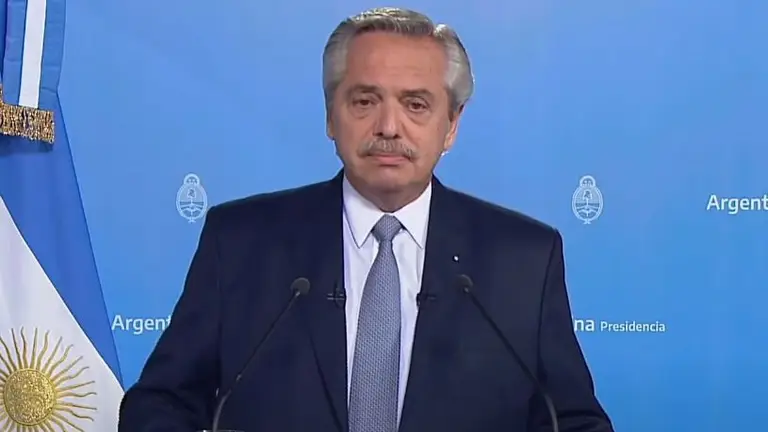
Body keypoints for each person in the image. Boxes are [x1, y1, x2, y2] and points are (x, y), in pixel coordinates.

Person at [118, 7, 614, 432]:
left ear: (452, 125)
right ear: (330, 115)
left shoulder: (524, 260)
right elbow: (160, 404)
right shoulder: (241, 243)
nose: (389, 127)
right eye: (364, 101)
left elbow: (571, 421)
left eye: (415, 104)